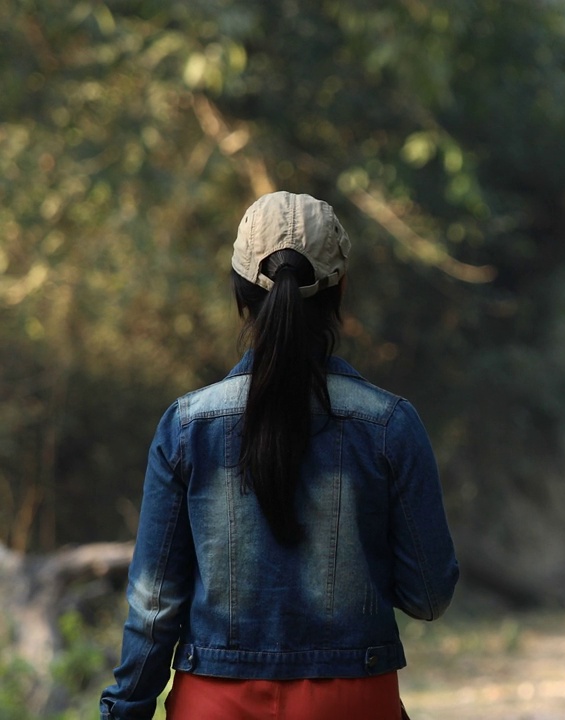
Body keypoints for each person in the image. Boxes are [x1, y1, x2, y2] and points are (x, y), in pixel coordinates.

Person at [99, 191, 459, 719]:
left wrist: (124, 711)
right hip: (352, 700)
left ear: (239, 293)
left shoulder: (186, 426)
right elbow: (428, 596)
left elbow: (155, 608)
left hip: (215, 703)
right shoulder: (390, 426)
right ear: (339, 293)